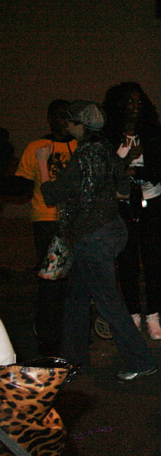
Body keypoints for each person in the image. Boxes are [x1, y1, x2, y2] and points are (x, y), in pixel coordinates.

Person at [38, 101, 157, 381]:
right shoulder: (106, 151)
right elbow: (124, 188)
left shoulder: (82, 158)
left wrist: (43, 162)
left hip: (91, 239)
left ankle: (141, 360)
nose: (66, 126)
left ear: (80, 126)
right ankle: (75, 362)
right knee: (76, 301)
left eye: (70, 122)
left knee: (108, 303)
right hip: (107, 232)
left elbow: (51, 194)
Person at [103, 83, 161, 340]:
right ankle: (132, 315)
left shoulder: (152, 132)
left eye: (138, 102)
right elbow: (104, 172)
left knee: (153, 260)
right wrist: (125, 161)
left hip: (151, 204)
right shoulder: (110, 135)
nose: (134, 107)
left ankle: (153, 317)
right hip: (122, 206)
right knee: (127, 262)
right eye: (129, 102)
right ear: (119, 106)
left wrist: (138, 171)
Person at [11, 100, 76, 356]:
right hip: (48, 220)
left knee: (73, 280)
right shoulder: (37, 147)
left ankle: (69, 330)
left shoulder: (79, 146)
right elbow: (22, 184)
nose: (64, 121)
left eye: (68, 116)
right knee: (52, 280)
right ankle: (49, 335)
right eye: (59, 116)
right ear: (49, 118)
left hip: (75, 221)